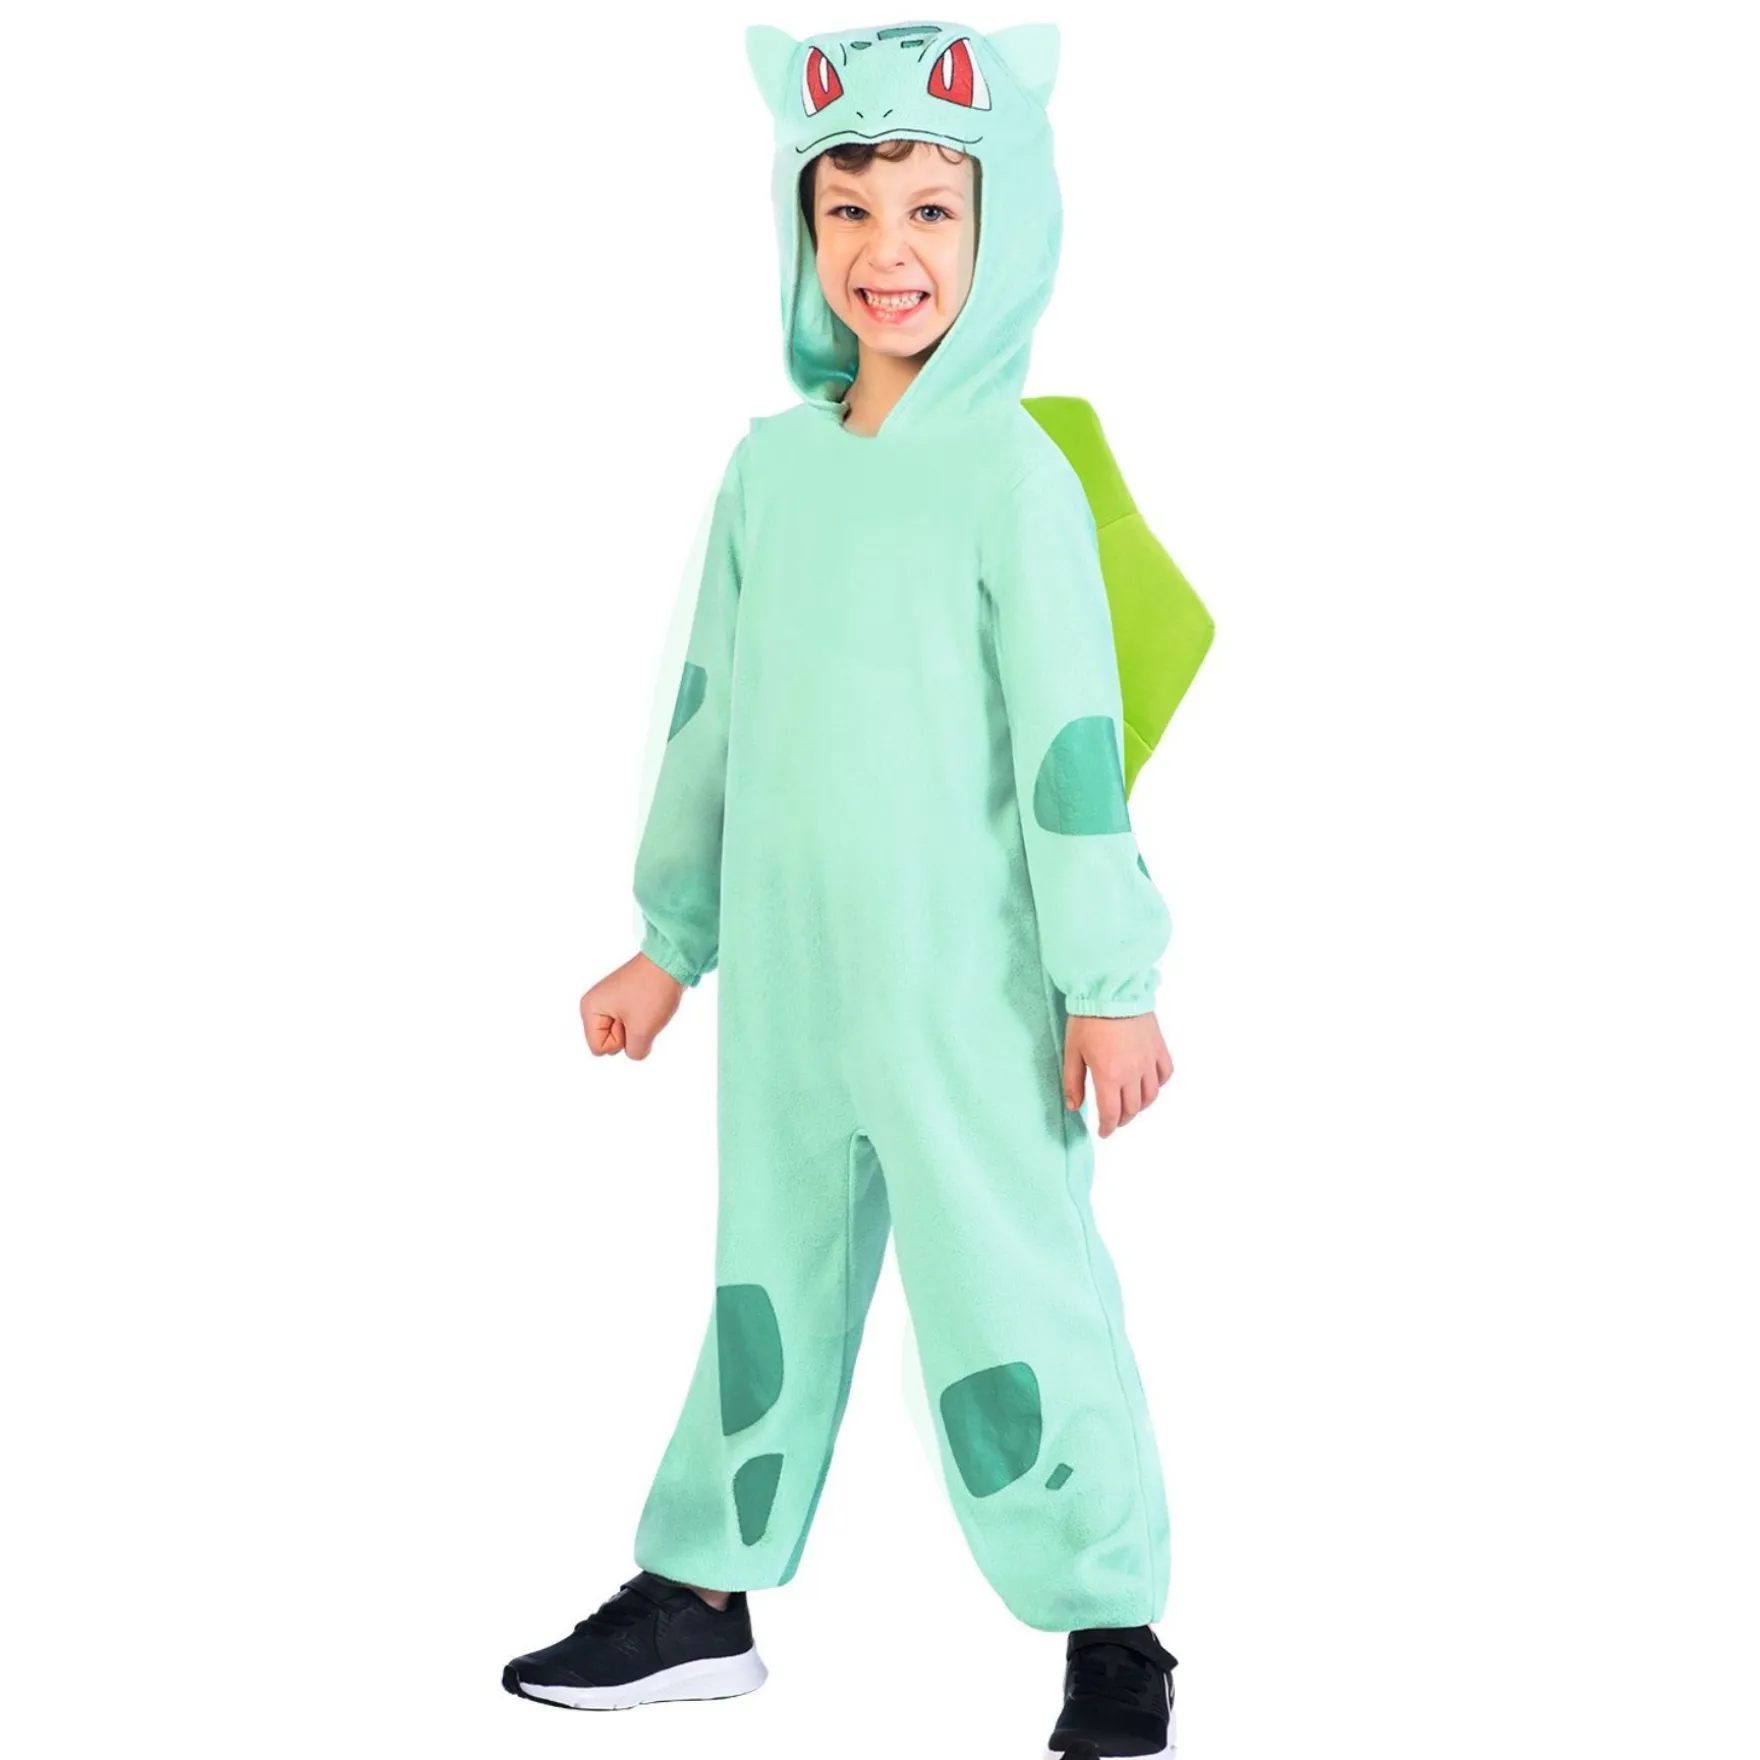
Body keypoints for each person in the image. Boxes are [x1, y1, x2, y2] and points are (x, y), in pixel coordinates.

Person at [504, 20, 1180, 1757]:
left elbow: (1072, 747)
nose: (889, 250)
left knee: (1016, 1297)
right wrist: (668, 944)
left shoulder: (1015, 478)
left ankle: (1112, 1623)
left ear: (1002, 227)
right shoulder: (771, 473)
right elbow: (710, 718)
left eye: (934, 210)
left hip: (973, 999)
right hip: (795, 994)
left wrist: (1106, 982)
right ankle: (702, 1596)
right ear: (802, 229)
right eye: (850, 208)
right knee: (769, 1282)